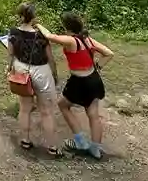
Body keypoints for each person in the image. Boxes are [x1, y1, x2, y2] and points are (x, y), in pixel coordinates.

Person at [36, 13, 114, 159]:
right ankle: (95, 149)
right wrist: (98, 67)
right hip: (94, 79)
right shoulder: (87, 39)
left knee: (63, 105)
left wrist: (38, 25)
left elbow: (49, 36)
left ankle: (81, 142)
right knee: (93, 115)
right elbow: (109, 53)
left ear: (67, 27)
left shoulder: (72, 41)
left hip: (79, 81)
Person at [6, 2, 61, 157]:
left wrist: (10, 69)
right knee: (46, 111)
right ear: (34, 16)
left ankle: (25, 140)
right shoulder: (41, 34)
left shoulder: (13, 32)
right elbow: (51, 58)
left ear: (20, 16)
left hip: (21, 69)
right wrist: (55, 75)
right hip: (42, 71)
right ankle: (52, 146)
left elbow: (11, 54)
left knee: (25, 108)